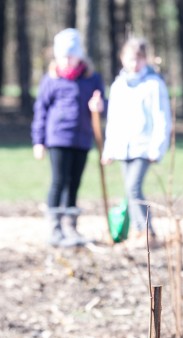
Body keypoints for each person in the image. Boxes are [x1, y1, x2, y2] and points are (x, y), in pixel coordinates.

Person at [31, 28, 105, 248]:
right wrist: (38, 140)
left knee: (74, 183)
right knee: (59, 181)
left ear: (79, 55)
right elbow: (41, 111)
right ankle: (55, 227)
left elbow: (103, 105)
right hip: (57, 138)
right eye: (63, 56)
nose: (67, 60)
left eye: (71, 55)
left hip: (82, 138)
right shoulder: (51, 80)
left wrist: (100, 106)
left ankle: (71, 226)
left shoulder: (91, 79)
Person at [100, 37, 172, 248]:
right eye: (130, 59)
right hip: (123, 147)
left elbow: (161, 118)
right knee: (129, 189)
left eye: (139, 59)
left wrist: (156, 148)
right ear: (122, 58)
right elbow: (113, 120)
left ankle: (147, 232)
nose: (134, 64)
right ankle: (139, 231)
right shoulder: (118, 85)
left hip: (144, 146)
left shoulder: (153, 84)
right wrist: (109, 149)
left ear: (145, 59)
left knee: (133, 188)